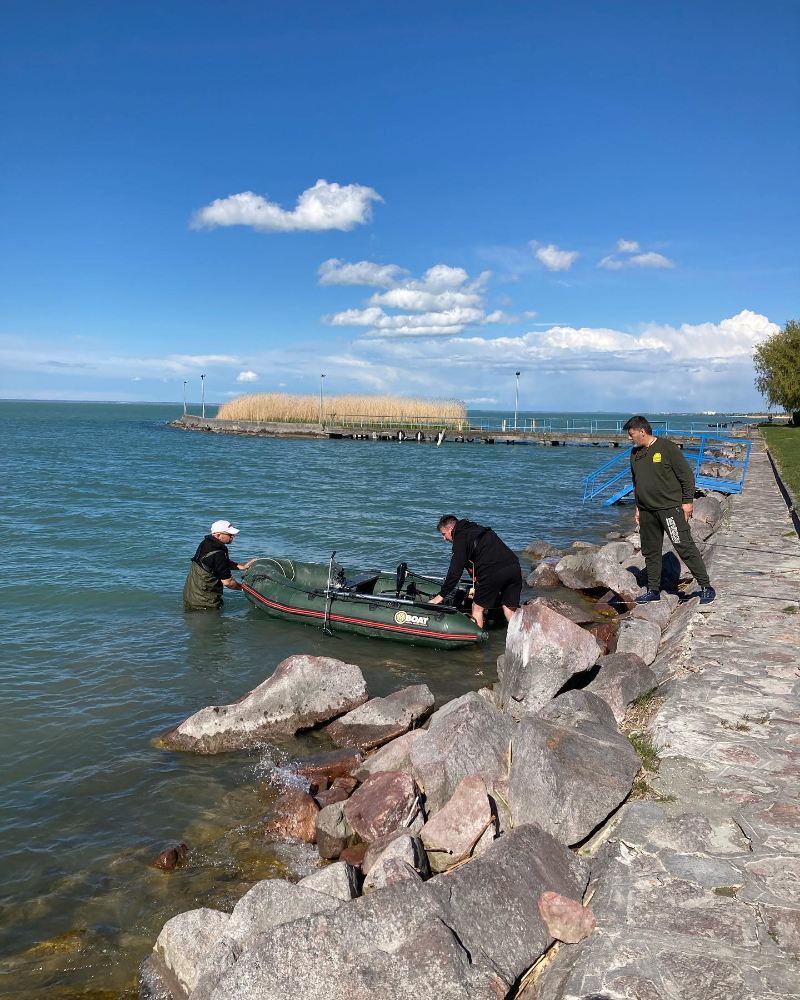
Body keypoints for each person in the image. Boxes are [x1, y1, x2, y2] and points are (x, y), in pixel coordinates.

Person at [623, 416, 715, 605]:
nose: (629, 438)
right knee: (650, 551)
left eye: (631, 435)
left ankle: (706, 586)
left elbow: (686, 476)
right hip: (647, 512)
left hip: (670, 509)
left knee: (684, 546)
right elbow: (636, 483)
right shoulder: (635, 454)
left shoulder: (667, 448)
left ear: (642, 432)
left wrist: (687, 502)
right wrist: (638, 508)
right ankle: (653, 589)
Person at [428, 515, 521, 627]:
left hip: (493, 571)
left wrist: (440, 596)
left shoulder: (460, 538)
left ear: (451, 529)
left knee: (477, 608)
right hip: (514, 567)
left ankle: (476, 643)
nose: (444, 538)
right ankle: (525, 640)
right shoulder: (476, 529)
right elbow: (485, 557)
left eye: (444, 534)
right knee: (509, 610)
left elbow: (455, 572)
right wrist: (476, 587)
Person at [183, 519, 256, 610]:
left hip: (190, 596)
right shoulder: (218, 553)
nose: (233, 536)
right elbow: (228, 582)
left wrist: (242, 567)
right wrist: (244, 589)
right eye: (229, 534)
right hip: (204, 603)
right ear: (218, 535)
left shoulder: (206, 543)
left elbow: (217, 563)